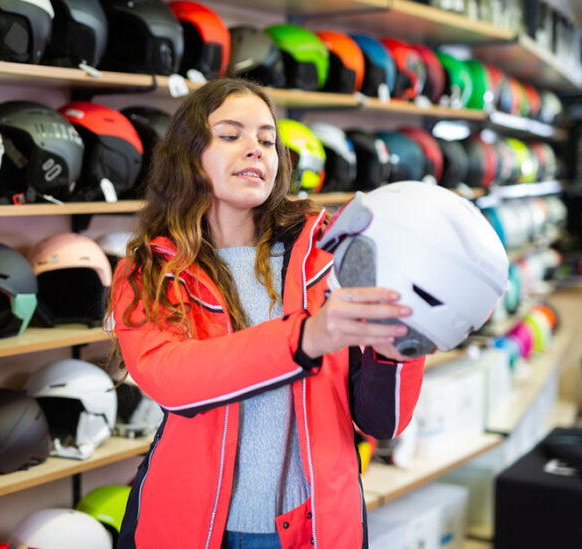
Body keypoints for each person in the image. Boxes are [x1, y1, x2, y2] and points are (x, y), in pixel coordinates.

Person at [108, 77, 426, 549]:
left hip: (316, 526)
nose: (255, 149)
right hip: (194, 528)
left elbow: (383, 421)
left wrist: (402, 341)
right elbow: (173, 381)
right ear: (188, 154)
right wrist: (305, 338)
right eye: (231, 135)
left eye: (267, 140)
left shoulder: (329, 252)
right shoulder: (151, 268)